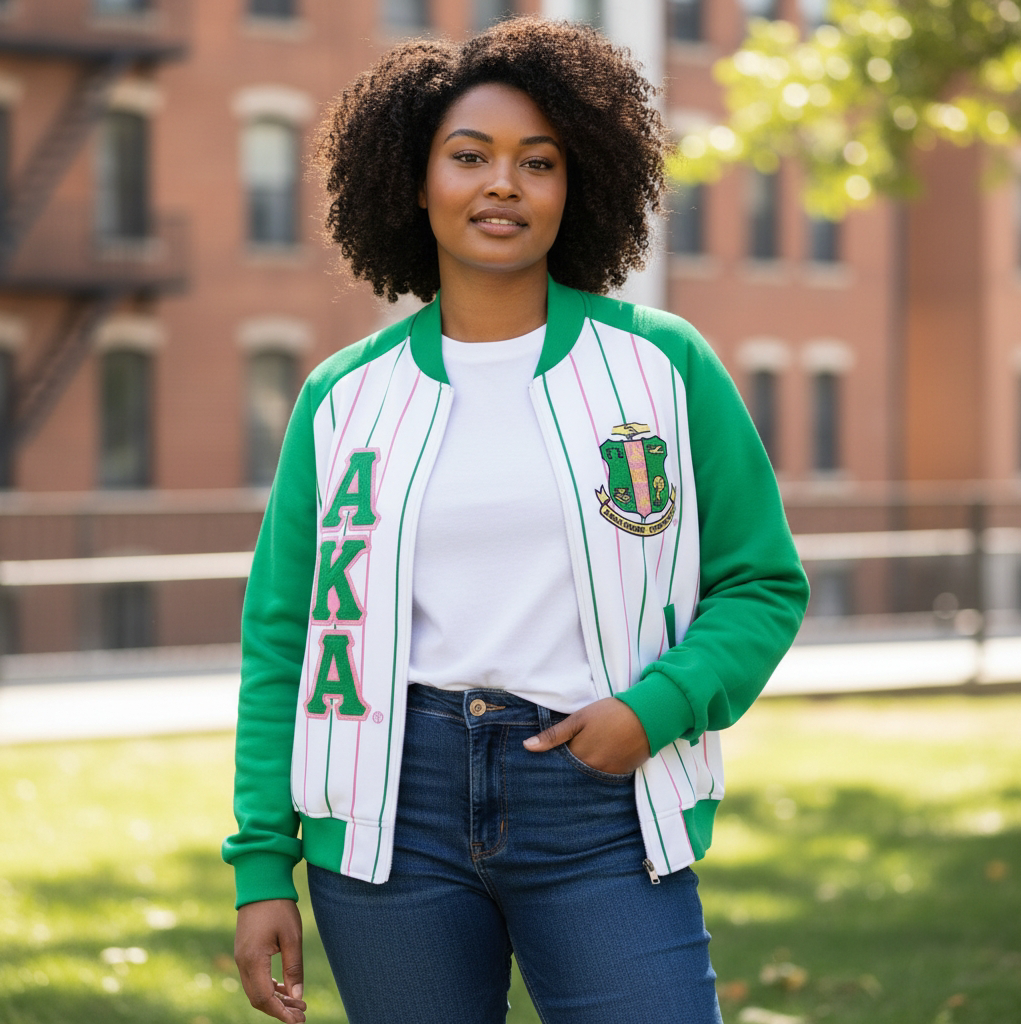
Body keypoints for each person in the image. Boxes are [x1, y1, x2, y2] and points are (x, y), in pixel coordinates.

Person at [223, 16, 809, 1024]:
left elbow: (761, 582)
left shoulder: (662, 367)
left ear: (574, 187)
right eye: (469, 157)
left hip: (600, 794)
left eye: (538, 162)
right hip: (388, 811)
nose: (504, 183)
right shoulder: (342, 397)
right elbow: (286, 638)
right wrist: (261, 863)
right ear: (415, 182)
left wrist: (656, 708)